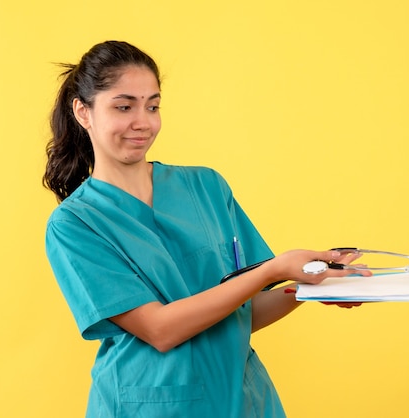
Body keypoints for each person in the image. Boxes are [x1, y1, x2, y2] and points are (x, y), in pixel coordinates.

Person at [43, 40, 369, 418]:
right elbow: (160, 330)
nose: (143, 122)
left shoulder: (207, 187)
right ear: (83, 112)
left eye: (153, 105)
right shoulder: (76, 223)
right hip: (150, 406)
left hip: (243, 400)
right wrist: (275, 269)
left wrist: (307, 289)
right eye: (124, 106)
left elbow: (240, 311)